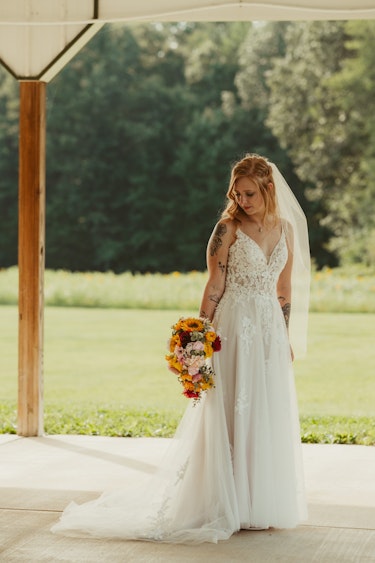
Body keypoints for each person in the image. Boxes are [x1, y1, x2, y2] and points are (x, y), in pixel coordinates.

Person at [51, 154, 310, 543]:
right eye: (237, 194)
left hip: (269, 331)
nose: (243, 200)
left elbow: (284, 290)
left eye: (250, 193)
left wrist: (284, 336)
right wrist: (196, 340)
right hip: (233, 327)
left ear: (269, 190)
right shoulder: (227, 230)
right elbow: (214, 287)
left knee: (264, 409)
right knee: (227, 410)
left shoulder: (286, 230)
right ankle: (223, 501)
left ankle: (257, 502)